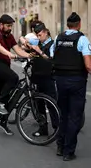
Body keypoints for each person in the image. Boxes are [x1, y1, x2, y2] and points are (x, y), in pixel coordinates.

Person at [50, 12, 91, 161]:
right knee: (74, 116)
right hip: (76, 82)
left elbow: (52, 55)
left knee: (63, 114)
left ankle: (60, 147)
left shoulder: (58, 38)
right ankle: (68, 151)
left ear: (67, 25)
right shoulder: (82, 39)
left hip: (60, 81)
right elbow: (88, 64)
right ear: (79, 24)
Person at [0, 14, 31, 135]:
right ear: (1, 25)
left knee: (9, 92)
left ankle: (2, 121)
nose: (10, 28)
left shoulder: (9, 36)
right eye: (8, 26)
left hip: (4, 66)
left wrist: (30, 56)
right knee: (14, 77)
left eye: (11, 26)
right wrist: (10, 54)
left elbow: (17, 49)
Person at [29, 23, 58, 137]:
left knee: (51, 104)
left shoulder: (52, 45)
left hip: (48, 78)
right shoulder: (38, 44)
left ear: (46, 32)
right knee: (38, 104)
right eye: (37, 36)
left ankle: (57, 128)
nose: (39, 37)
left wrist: (40, 52)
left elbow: (52, 60)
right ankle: (43, 128)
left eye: (40, 35)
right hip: (37, 77)